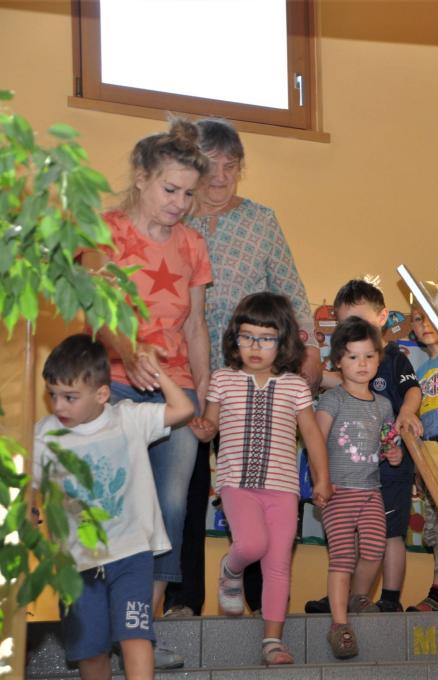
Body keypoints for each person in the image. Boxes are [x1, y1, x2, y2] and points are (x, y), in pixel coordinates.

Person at [165, 117, 321, 619]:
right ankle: (184, 599)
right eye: (211, 165)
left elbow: (290, 291)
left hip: (254, 380)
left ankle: (260, 599)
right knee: (186, 489)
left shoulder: (261, 220)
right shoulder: (174, 220)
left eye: (231, 166)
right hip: (186, 374)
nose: (221, 176)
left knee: (262, 484)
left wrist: (309, 351)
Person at [83, 118, 210, 669]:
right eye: (170, 189)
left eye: (188, 194)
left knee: (170, 506)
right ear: (141, 177)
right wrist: (128, 351)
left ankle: (144, 632)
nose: (179, 204)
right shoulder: (104, 233)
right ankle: (101, 624)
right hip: (112, 383)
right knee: (115, 502)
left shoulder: (193, 244)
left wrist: (204, 398)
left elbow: (197, 327)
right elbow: (93, 309)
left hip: (176, 393)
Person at [32, 335, 194, 679]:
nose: (59, 405)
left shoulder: (128, 419)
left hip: (130, 555)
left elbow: (183, 409)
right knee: (91, 652)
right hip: (77, 562)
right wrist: (30, 508)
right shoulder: (45, 434)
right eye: (53, 395)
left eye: (70, 397)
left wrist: (156, 370)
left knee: (136, 636)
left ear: (102, 394)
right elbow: (30, 484)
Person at [187, 293, 329, 664]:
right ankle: (230, 568)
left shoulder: (295, 386)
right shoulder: (222, 380)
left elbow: (312, 436)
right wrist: (203, 429)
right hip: (237, 484)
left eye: (266, 339)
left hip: (283, 490)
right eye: (247, 336)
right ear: (234, 338)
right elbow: (211, 424)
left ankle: (272, 641)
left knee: (278, 562)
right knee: (251, 544)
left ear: (283, 342)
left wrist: (322, 479)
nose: (255, 346)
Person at [305, 279, 423, 614]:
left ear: (382, 317)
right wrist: (309, 374)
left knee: (390, 534)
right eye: (344, 324)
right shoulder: (348, 370)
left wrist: (406, 412)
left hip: (390, 466)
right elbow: (331, 382)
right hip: (353, 473)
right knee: (352, 538)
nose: (352, 329)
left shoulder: (393, 359)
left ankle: (389, 598)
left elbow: (413, 390)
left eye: (358, 320)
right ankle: (347, 594)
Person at [314, 317, 404, 659]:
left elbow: (388, 443)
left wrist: (393, 454)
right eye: (353, 357)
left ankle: (356, 596)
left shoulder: (383, 405)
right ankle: (339, 624)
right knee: (342, 557)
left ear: (378, 359)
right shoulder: (332, 400)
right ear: (338, 360)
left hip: (370, 492)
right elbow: (316, 443)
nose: (362, 364)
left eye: (369, 356)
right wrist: (321, 482)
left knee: (374, 551)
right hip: (338, 492)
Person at [405, 306, 438, 612]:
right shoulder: (421, 372)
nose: (425, 324)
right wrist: (419, 464)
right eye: (419, 319)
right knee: (435, 523)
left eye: (432, 315)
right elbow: (419, 420)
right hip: (431, 453)